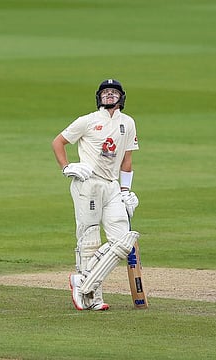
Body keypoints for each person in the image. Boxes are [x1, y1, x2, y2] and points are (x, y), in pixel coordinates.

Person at [52, 79, 140, 310]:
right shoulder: (88, 121)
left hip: (111, 186)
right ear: (99, 97)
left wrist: (125, 190)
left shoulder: (128, 123)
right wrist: (67, 166)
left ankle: (82, 282)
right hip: (87, 183)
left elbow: (127, 160)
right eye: (105, 93)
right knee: (90, 240)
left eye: (114, 92)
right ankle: (94, 298)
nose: (109, 96)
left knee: (123, 241)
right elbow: (58, 142)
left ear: (122, 97)